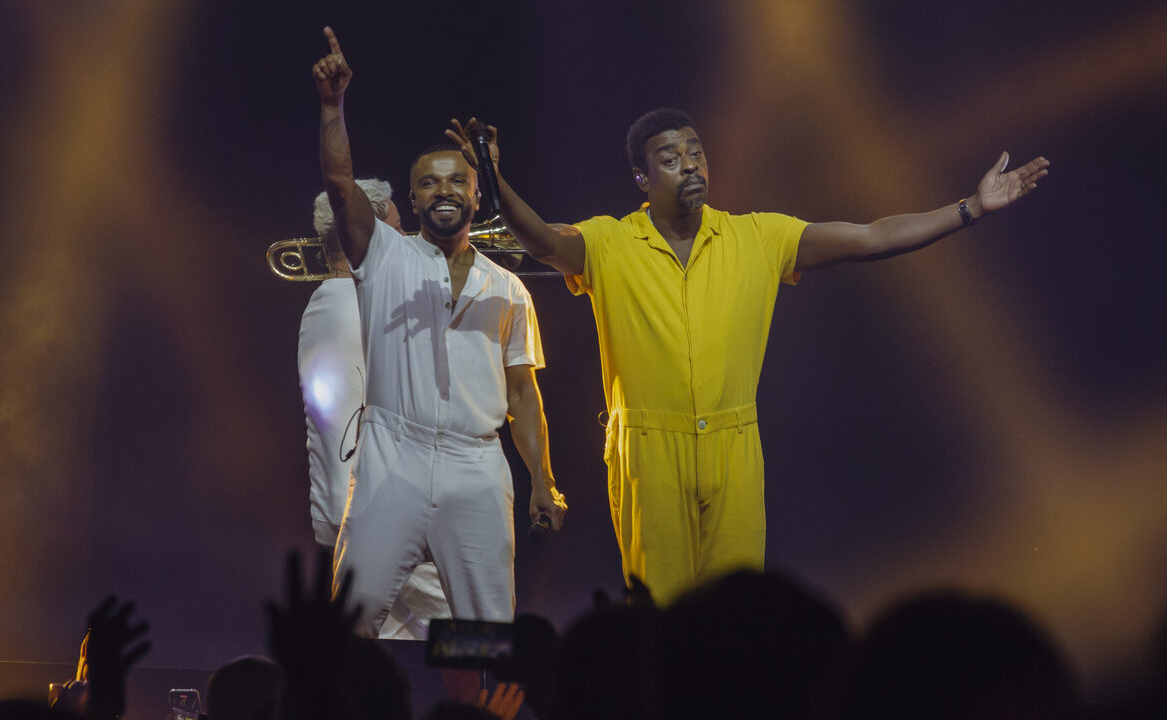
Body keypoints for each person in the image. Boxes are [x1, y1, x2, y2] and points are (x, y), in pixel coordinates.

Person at [447, 107, 1049, 604]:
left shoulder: (758, 237)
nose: (689, 164)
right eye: (670, 157)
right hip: (649, 454)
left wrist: (969, 209)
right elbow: (541, 241)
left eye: (696, 152)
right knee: (660, 619)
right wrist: (497, 183)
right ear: (641, 178)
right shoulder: (608, 241)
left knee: (733, 621)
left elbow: (870, 237)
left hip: (735, 446)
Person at [312, 27, 568, 635]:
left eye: (458, 181)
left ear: (478, 195)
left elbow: (523, 396)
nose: (445, 190)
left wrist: (543, 481)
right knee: (348, 626)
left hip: (477, 466)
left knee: (483, 636)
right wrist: (332, 106)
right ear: (412, 195)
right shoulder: (385, 256)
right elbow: (341, 186)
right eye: (430, 182)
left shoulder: (508, 288)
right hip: (391, 457)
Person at [300, 180, 451, 640]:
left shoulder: (322, 305)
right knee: (477, 647)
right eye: (397, 231)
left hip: (348, 518)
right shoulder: (373, 309)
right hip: (393, 516)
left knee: (383, 679)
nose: (409, 242)